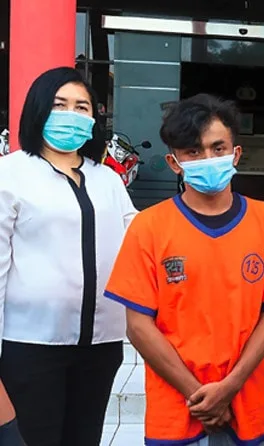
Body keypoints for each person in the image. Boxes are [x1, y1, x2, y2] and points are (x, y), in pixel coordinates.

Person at [104, 93, 264, 446]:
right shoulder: (148, 227)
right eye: (193, 152)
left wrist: (230, 387)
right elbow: (138, 326)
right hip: (177, 410)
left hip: (247, 406)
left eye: (218, 148)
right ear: (174, 162)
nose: (208, 159)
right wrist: (197, 394)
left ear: (236, 154)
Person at [0, 66, 137, 445]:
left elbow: (140, 240)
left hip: (101, 346)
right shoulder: (10, 174)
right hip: (30, 345)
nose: (71, 115)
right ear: (38, 109)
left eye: (82, 107)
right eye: (59, 105)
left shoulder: (107, 179)